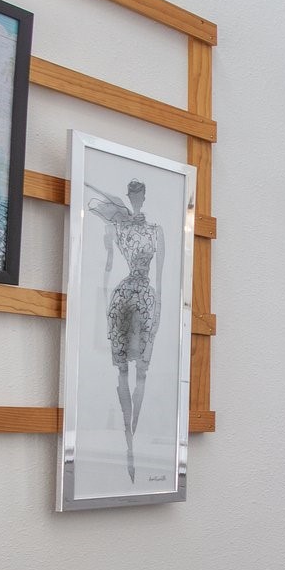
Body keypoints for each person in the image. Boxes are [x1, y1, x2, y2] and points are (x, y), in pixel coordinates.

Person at [86, 179, 164, 481]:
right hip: (124, 296)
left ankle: (134, 442)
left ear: (143, 196)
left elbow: (161, 280)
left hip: (145, 298)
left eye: (138, 194)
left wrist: (157, 315)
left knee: (141, 370)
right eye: (132, 194)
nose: (135, 199)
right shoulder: (118, 226)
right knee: (122, 370)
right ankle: (128, 442)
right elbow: (105, 265)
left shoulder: (155, 230)